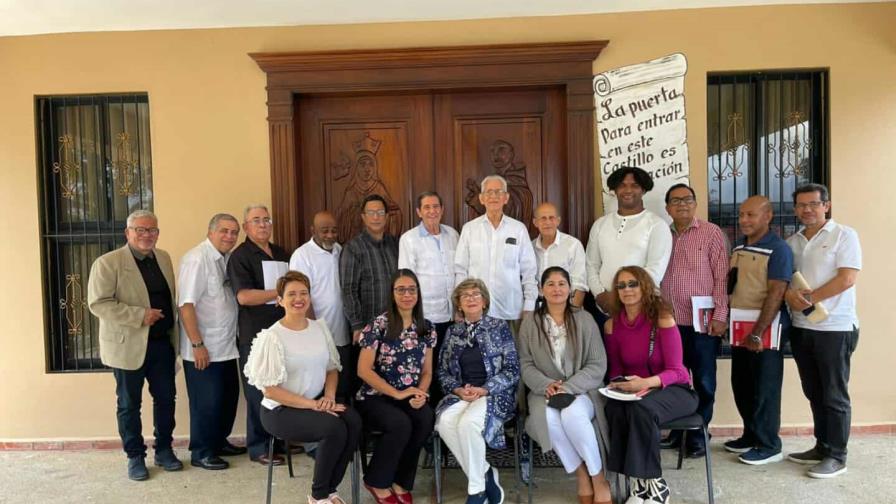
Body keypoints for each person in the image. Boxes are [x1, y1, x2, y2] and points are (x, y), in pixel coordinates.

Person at [243, 271, 361, 504]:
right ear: (280, 300)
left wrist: (328, 396)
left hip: (315, 402)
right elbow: (270, 390)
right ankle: (318, 496)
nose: (299, 299)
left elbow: (331, 368)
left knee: (353, 421)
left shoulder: (319, 328)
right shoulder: (272, 336)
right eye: (291, 294)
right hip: (280, 410)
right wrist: (315, 405)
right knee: (333, 428)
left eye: (304, 293)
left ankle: (330, 488)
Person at [86, 209, 182, 480]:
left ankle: (164, 450)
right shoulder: (108, 262)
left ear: (158, 233)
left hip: (162, 344)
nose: (146, 235)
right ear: (127, 233)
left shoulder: (163, 258)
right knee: (129, 404)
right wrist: (140, 315)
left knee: (166, 400)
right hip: (127, 346)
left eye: (151, 230)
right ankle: (135, 457)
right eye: (140, 229)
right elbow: (99, 303)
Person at [784, 183, 861, 479]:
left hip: (835, 327)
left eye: (814, 204)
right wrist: (792, 296)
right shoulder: (793, 242)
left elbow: (847, 279)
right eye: (802, 205)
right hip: (803, 327)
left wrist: (809, 298)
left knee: (834, 394)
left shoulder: (844, 235)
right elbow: (790, 281)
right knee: (814, 391)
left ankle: (837, 455)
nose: (807, 210)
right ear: (795, 209)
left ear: (826, 205)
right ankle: (822, 446)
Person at [518, 267, 612, 504]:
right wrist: (547, 384)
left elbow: (597, 363)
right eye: (550, 284)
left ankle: (598, 477)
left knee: (572, 415)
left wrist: (568, 387)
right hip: (544, 392)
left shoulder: (585, 319)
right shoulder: (531, 323)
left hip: (582, 390)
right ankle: (582, 475)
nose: (556, 289)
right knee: (547, 420)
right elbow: (525, 363)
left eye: (562, 283)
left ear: (570, 289)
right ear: (541, 290)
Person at [603, 266, 696, 504]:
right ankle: (638, 487)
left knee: (641, 410)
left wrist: (646, 383)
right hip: (636, 391)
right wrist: (619, 385)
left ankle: (655, 487)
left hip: (674, 390)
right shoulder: (612, 325)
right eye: (621, 286)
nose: (627, 290)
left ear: (644, 286)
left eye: (632, 283)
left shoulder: (662, 318)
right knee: (613, 410)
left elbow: (677, 371)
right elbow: (615, 371)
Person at [659, 184, 730, 458]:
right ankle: (679, 431)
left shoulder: (711, 233)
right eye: (675, 201)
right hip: (670, 323)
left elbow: (722, 277)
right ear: (667, 207)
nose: (682, 205)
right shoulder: (661, 235)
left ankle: (699, 434)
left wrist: (721, 315)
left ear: (696, 203)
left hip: (703, 323)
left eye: (688, 199)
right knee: (676, 379)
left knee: (703, 380)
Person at [355, 269, 436, 504]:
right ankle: (377, 481)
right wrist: (398, 394)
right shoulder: (379, 325)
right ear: (392, 294)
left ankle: (401, 481)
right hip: (375, 397)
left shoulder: (426, 328)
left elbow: (428, 371)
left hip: (409, 394)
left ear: (418, 294)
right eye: (401, 289)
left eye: (412, 289)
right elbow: (363, 370)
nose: (407, 294)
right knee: (400, 423)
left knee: (424, 417)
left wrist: (421, 393)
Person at [436, 278, 519, 504]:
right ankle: (485, 473)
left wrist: (485, 389)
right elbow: (442, 371)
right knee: (444, 422)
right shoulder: (453, 332)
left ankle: (477, 492)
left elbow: (513, 369)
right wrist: (458, 389)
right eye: (465, 296)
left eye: (476, 294)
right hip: (462, 394)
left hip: (494, 394)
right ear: (459, 305)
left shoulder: (499, 327)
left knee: (468, 424)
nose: (471, 298)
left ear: (484, 301)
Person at [724, 196, 793, 465]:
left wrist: (757, 332)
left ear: (768, 216)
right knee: (742, 383)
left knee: (765, 386)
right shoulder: (740, 245)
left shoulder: (778, 249)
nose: (744, 220)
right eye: (741, 214)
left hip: (765, 328)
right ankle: (750, 434)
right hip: (740, 325)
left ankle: (769, 444)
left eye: (751, 215)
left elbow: (777, 292)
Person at [177, 213, 244, 470]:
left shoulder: (225, 259)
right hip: (204, 348)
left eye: (234, 232)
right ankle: (202, 451)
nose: (229, 236)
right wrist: (197, 344)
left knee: (226, 399)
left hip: (226, 346)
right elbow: (186, 305)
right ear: (210, 231)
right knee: (206, 402)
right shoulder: (197, 259)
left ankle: (218, 441)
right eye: (224, 231)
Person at [227, 204, 291, 466]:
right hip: (255, 336)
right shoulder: (240, 256)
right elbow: (243, 296)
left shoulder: (280, 253)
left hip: (283, 333)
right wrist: (278, 294)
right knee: (258, 392)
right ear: (246, 227)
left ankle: (282, 439)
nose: (263, 224)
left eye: (267, 219)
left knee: (283, 386)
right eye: (256, 220)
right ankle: (259, 447)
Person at [586, 167, 672, 328]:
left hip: (642, 311)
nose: (628, 190)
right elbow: (591, 264)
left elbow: (655, 270)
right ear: (615, 190)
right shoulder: (600, 225)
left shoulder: (656, 225)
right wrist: (600, 295)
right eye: (622, 185)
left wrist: (624, 298)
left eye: (634, 185)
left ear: (643, 190)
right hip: (603, 310)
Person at [455, 174, 538, 333]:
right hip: (476, 311)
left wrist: (529, 304)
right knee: (478, 357)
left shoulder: (518, 229)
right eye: (489, 192)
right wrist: (460, 305)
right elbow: (460, 270)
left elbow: (529, 271)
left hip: (511, 310)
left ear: (506, 198)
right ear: (481, 198)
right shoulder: (469, 229)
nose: (493, 196)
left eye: (499, 192)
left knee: (511, 356)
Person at [399, 191, 459, 406]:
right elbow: (406, 278)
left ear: (442, 210)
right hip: (425, 316)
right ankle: (426, 414)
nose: (432, 211)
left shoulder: (453, 234)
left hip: (452, 314)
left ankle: (447, 410)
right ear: (419, 212)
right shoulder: (409, 239)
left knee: (448, 365)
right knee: (426, 367)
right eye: (427, 207)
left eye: (436, 206)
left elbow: (459, 271)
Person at [290, 211, 352, 400]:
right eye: (325, 231)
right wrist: (314, 332)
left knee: (342, 387)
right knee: (318, 389)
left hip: (342, 334)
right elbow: (300, 298)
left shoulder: (340, 250)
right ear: (313, 230)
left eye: (334, 231)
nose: (330, 235)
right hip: (316, 334)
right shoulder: (302, 255)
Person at [340, 194, 400, 346]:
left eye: (380, 213)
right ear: (363, 217)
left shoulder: (395, 244)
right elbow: (348, 289)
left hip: (395, 323)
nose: (376, 217)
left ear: (386, 217)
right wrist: (357, 324)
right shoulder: (353, 248)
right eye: (371, 213)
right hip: (368, 326)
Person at [531, 202, 588, 307]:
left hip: (566, 305)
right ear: (535, 222)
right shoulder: (530, 247)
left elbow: (579, 285)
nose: (547, 222)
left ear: (558, 221)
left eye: (551, 218)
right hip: (537, 306)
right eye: (543, 218)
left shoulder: (573, 245)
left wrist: (571, 314)